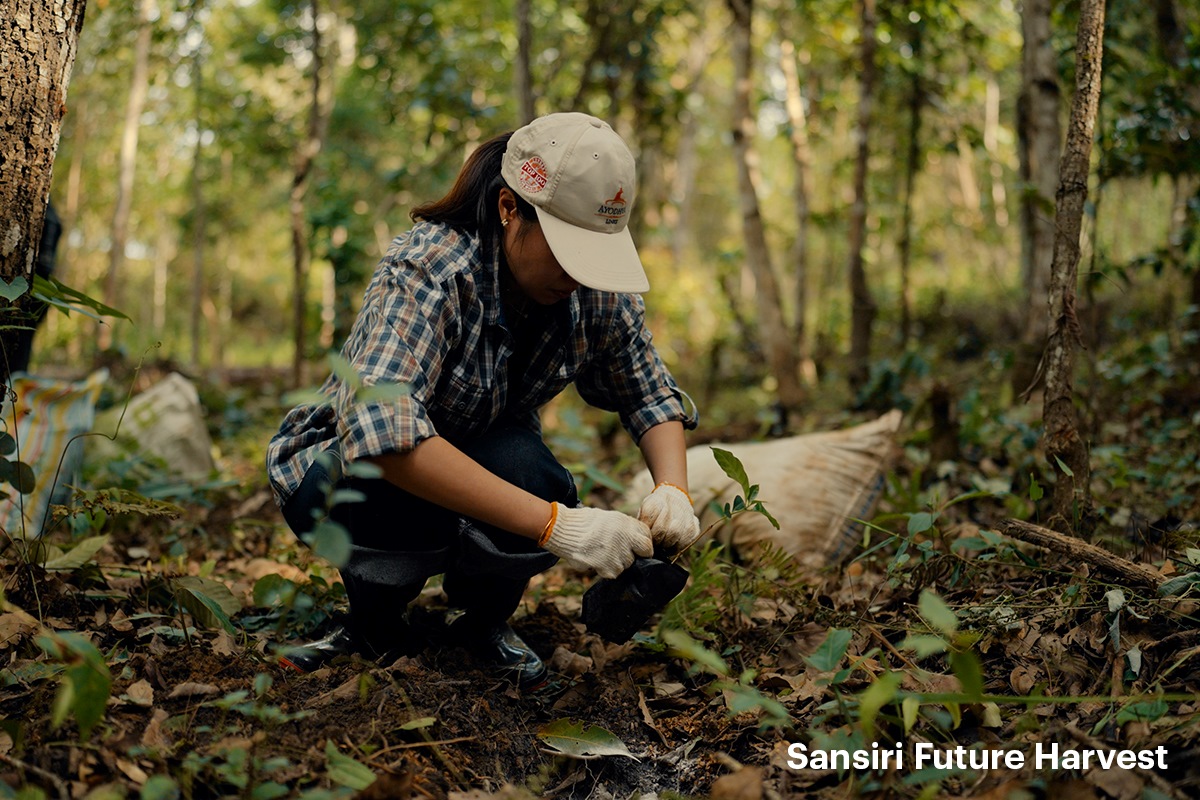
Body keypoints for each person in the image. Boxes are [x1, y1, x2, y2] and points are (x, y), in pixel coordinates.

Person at [266, 112, 701, 689]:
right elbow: (384, 439)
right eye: (565, 250)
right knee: (389, 484)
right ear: (508, 208)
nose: (577, 276)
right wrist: (559, 527)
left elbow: (649, 391)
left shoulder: (595, 294)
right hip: (344, 473)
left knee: (531, 472)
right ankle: (372, 620)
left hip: (481, 460)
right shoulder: (430, 269)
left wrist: (672, 489)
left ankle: (483, 623)